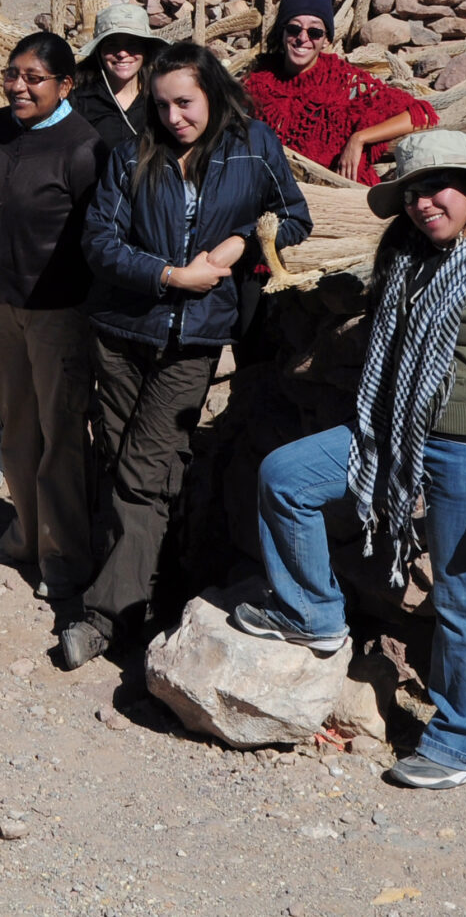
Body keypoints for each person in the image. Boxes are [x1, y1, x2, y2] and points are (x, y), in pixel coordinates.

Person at [235, 130, 466, 790]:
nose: (425, 203)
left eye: (439, 188)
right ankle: (312, 612)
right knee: (285, 478)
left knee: (463, 597)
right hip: (389, 432)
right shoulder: (407, 259)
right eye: (412, 193)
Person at [62, 40, 310, 669]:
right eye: (163, 104)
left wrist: (234, 247)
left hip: (194, 340)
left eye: (187, 103)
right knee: (127, 463)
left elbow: (293, 217)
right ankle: (159, 593)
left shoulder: (256, 147)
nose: (174, 117)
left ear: (215, 94)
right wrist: (170, 276)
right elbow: (100, 242)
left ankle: (102, 617)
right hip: (122, 330)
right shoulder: (130, 154)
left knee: (143, 471)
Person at [0, 32, 102, 602]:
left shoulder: (83, 147)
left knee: (61, 435)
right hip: (3, 307)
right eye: (12, 74)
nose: (18, 87)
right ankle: (24, 534)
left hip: (59, 313)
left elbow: (98, 238)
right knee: (18, 428)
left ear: (65, 84)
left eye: (33, 78)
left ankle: (64, 558)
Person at [243, 0, 437, 185]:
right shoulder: (258, 81)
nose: (302, 38)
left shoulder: (344, 80)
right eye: (293, 29)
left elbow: (422, 114)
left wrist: (359, 138)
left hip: (339, 194)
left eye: (315, 32)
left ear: (326, 39)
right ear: (282, 32)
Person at [71, 1, 162, 154]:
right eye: (112, 45)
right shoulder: (79, 103)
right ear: (99, 51)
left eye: (132, 44)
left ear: (145, 50)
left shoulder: (159, 99)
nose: (122, 54)